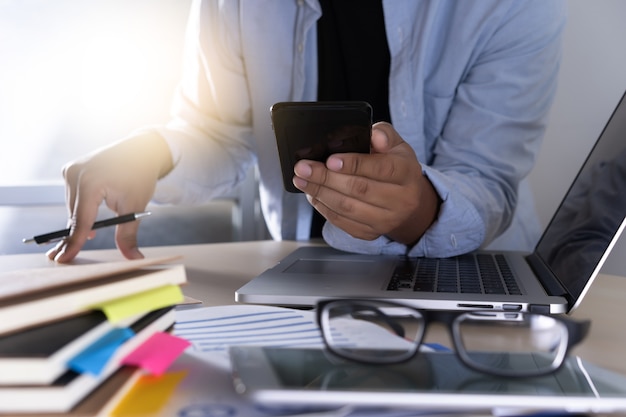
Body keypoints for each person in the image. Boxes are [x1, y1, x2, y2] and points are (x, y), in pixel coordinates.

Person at [47, 0, 566, 263]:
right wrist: (153, 153)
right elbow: (223, 134)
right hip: (303, 273)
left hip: (470, 274)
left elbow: (487, 177)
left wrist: (418, 211)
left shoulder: (514, 5)